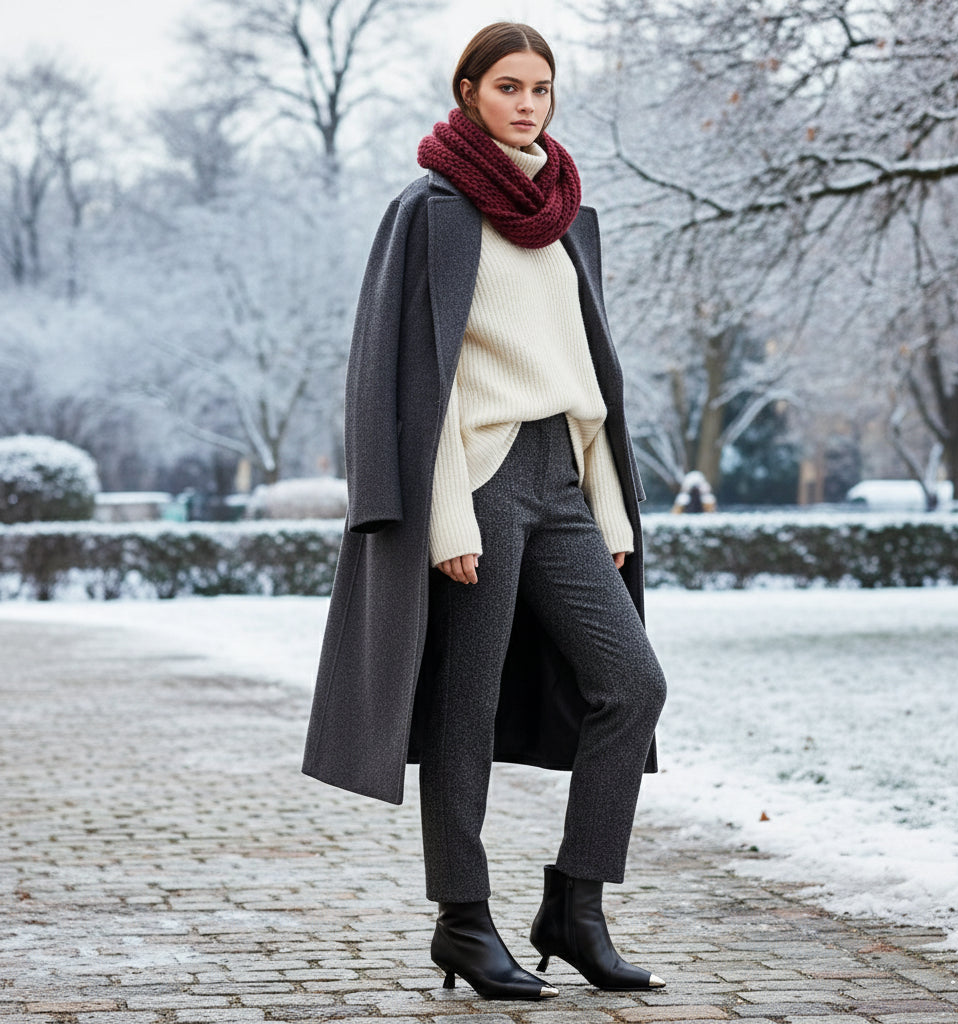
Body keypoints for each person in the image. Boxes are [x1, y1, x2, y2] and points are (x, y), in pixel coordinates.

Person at [302, 22, 668, 1001]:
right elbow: (410, 375)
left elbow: (588, 376)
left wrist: (608, 506)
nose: (527, 104)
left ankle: (575, 907)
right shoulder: (430, 211)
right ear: (468, 91)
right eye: (508, 86)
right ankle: (463, 922)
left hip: (562, 479)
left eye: (541, 88)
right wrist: (445, 516)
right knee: (462, 706)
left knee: (632, 684)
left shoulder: (568, 215)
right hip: (476, 478)